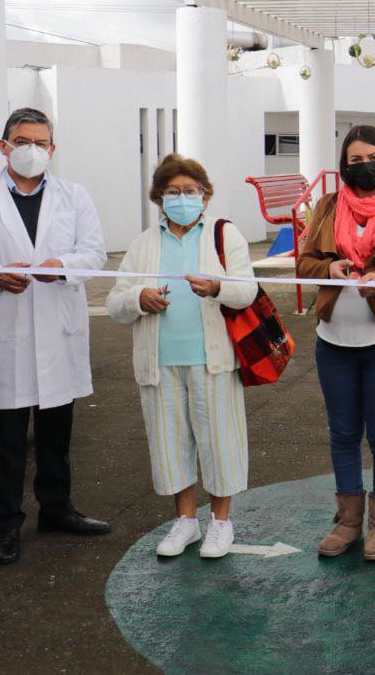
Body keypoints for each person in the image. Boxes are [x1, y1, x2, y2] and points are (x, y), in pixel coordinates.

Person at [0, 108, 109, 566]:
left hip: (56, 329)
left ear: (53, 149)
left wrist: (62, 267)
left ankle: (56, 509)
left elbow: (94, 253)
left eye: (41, 142)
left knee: (55, 432)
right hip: (3, 332)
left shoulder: (74, 196)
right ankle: (5, 524)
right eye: (22, 141)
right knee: (5, 438)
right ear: (3, 145)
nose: (32, 150)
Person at [107, 154, 259, 559]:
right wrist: (139, 298)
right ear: (159, 198)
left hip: (212, 360)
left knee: (218, 442)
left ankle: (221, 523)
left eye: (190, 191)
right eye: (173, 192)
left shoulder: (224, 237)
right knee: (170, 443)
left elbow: (247, 291)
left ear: (205, 197)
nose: (182, 198)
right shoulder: (144, 244)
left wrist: (216, 289)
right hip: (160, 362)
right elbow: (115, 303)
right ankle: (186, 521)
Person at [297, 125, 375, 561]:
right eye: (354, 160)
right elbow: (304, 261)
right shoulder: (328, 206)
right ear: (343, 166)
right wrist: (329, 267)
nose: (364, 166)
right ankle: (349, 520)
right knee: (344, 433)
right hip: (333, 340)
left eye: (372, 156)